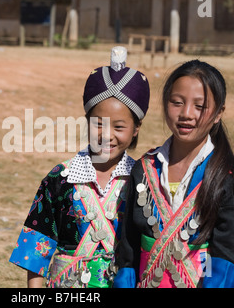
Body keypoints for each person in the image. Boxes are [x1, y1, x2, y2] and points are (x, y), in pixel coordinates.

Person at [9, 47, 150, 288]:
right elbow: (36, 248)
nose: (107, 135)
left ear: (136, 128)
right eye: (98, 124)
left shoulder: (144, 180)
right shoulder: (60, 179)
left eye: (119, 127)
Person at [114, 59, 234, 288]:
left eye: (200, 106)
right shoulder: (144, 170)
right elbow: (129, 250)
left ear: (219, 113)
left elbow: (227, 258)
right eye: (177, 102)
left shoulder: (227, 178)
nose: (186, 114)